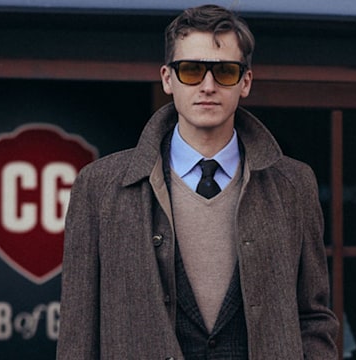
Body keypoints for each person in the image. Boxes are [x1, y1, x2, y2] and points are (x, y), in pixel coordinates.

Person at [56, 4, 339, 359]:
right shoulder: (99, 187)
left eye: (224, 71)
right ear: (167, 78)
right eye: (191, 70)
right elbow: (78, 332)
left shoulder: (293, 185)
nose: (208, 85)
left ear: (245, 82)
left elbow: (313, 317)